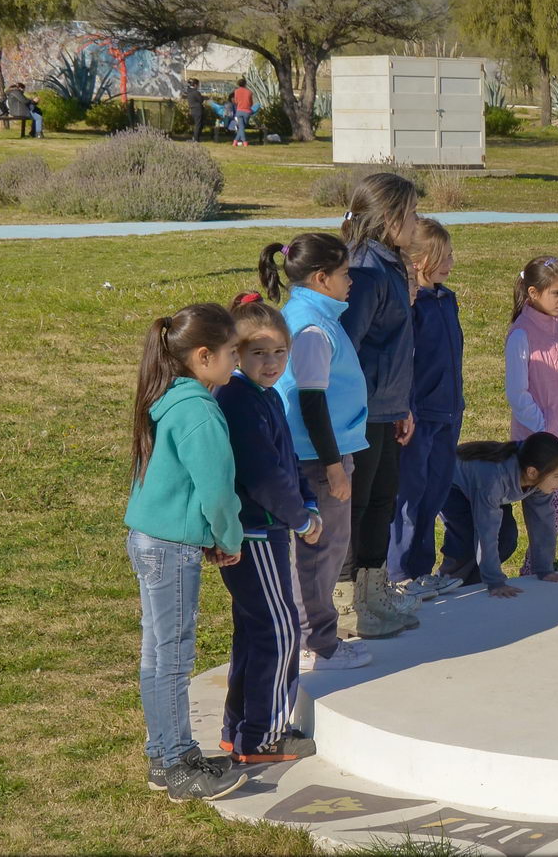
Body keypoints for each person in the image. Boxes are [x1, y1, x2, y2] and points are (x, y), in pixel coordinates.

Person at [124, 303, 248, 802]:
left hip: (149, 540)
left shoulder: (170, 396)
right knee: (173, 660)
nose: (237, 361)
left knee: (157, 655)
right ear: (203, 356)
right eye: (232, 352)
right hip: (171, 549)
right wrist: (230, 538)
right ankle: (177, 766)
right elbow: (217, 491)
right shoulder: (198, 410)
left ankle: (165, 754)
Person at [263, 234, 383, 662]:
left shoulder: (312, 316)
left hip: (319, 454)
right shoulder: (311, 328)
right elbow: (309, 401)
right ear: (321, 278)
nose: (350, 281)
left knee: (321, 550)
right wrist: (334, 466)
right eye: (344, 273)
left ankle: (311, 637)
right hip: (316, 459)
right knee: (320, 552)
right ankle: (319, 644)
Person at [214, 295, 322, 764]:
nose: (272, 362)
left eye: (280, 352)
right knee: (278, 631)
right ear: (236, 354)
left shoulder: (267, 396)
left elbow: (287, 459)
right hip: (255, 532)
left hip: (270, 530)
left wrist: (308, 501)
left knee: (257, 629)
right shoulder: (237, 400)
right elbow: (262, 474)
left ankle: (238, 728)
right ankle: (263, 737)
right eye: (259, 353)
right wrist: (299, 517)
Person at [337, 173, 421, 632]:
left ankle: (374, 592)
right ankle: (346, 604)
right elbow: (347, 345)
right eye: (411, 214)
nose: (418, 222)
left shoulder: (389, 262)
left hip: (386, 408)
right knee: (358, 505)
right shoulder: (366, 270)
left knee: (382, 501)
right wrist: (363, 405)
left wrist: (401, 403)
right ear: (389, 220)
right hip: (360, 413)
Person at [387, 219, 465, 601]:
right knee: (409, 496)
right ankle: (398, 574)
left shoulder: (447, 299)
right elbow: (405, 360)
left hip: (450, 414)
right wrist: (408, 408)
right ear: (419, 261)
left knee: (434, 493)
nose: (452, 260)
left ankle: (419, 571)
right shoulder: (410, 305)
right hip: (419, 415)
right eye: (444, 254)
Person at [505, 255, 558, 580]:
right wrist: (543, 433)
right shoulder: (521, 335)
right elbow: (517, 393)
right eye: (556, 293)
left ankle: (537, 569)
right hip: (536, 447)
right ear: (534, 293)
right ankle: (532, 568)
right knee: (556, 503)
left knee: (552, 507)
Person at [440, 435, 558, 596]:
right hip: (451, 485)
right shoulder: (495, 478)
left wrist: (544, 569)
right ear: (532, 472)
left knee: (506, 539)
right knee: (465, 542)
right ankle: (444, 584)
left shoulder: (539, 475)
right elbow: (486, 531)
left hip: (483, 489)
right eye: (557, 475)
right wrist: (495, 582)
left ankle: (472, 585)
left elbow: (542, 522)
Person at [230, 78, 254, 146]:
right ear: (245, 84)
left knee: (241, 127)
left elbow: (236, 101)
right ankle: (244, 142)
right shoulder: (249, 92)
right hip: (247, 111)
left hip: (239, 110)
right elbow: (251, 103)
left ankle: (235, 141)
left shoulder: (236, 91)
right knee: (242, 127)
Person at [183, 77, 206, 142]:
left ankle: (196, 138)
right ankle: (196, 139)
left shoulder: (189, 91)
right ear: (195, 85)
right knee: (198, 125)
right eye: (198, 85)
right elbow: (201, 100)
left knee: (197, 124)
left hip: (193, 110)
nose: (198, 86)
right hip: (198, 110)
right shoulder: (196, 92)